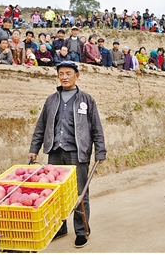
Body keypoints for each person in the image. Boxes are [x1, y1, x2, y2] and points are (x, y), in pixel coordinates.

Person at [27, 61, 106, 249]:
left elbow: (96, 127)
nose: (64, 77)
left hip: (77, 153)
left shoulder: (87, 100)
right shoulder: (51, 100)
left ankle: (82, 231)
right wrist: (34, 149)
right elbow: (41, 126)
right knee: (56, 193)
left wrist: (100, 150)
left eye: (68, 73)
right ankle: (59, 228)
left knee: (79, 193)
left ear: (76, 75)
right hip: (55, 152)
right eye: (61, 73)